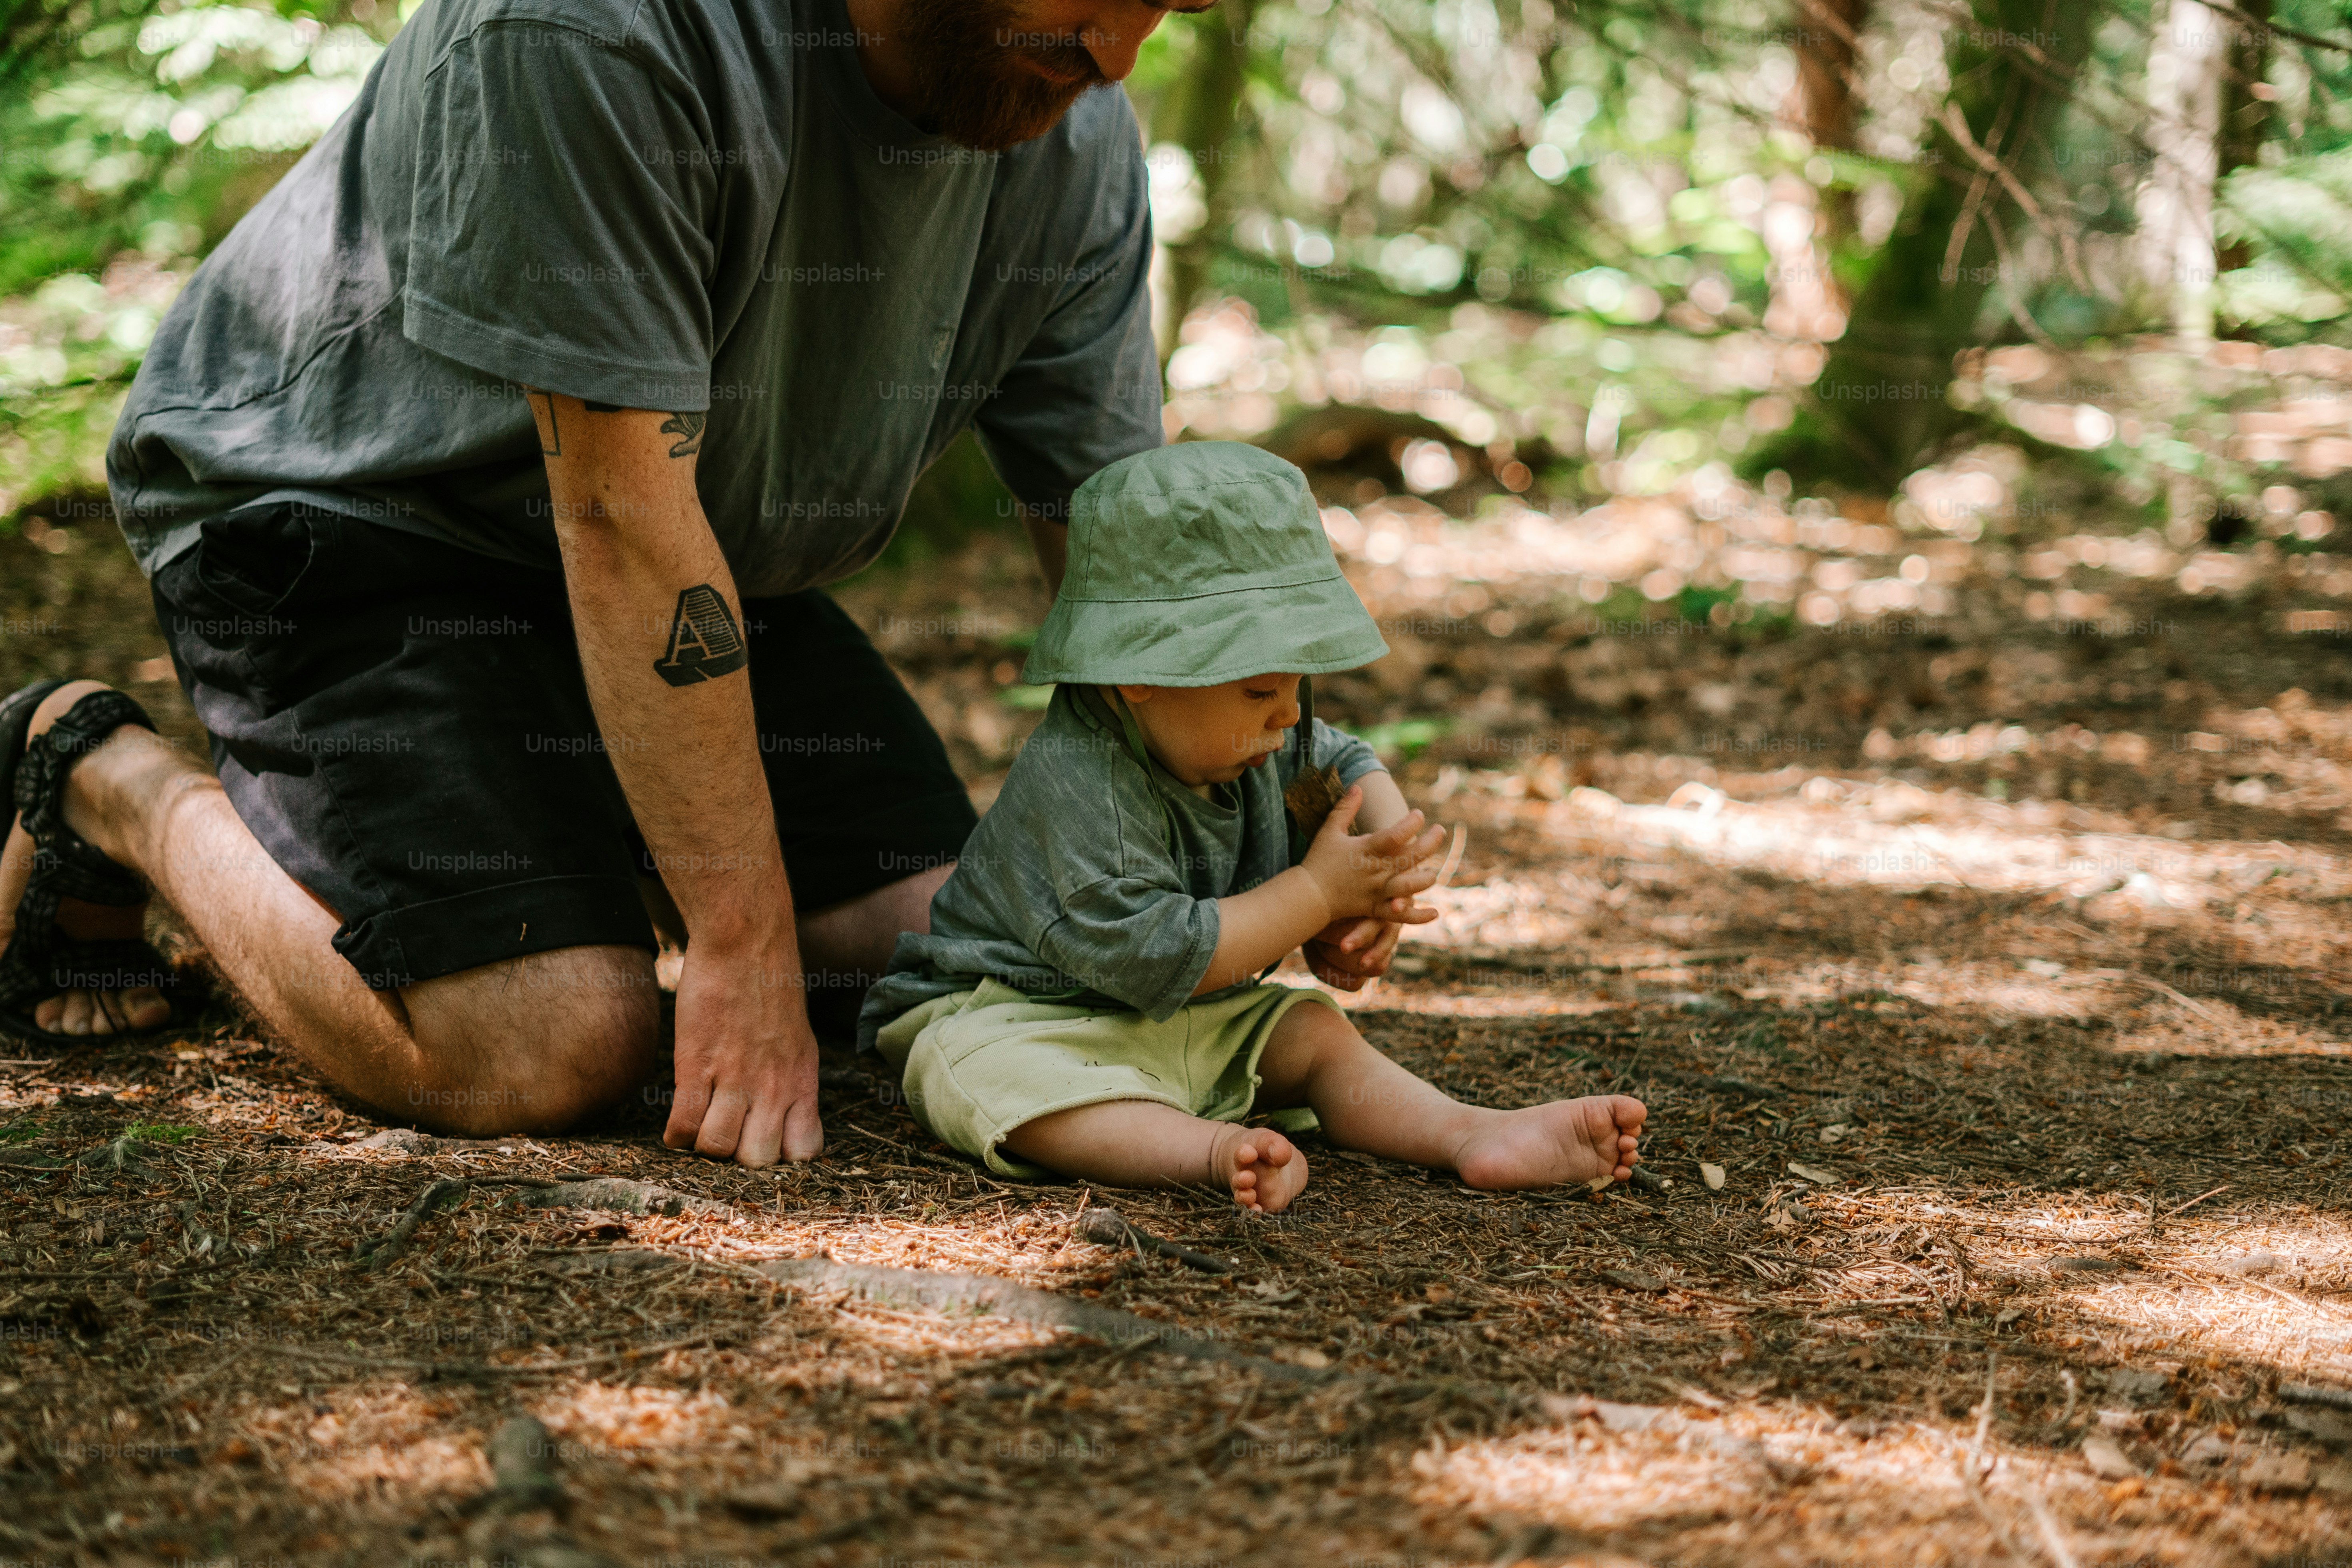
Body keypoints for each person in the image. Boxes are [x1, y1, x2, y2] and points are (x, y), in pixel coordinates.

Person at [0, 0, 1351, 1171]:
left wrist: (1288, 807)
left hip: (697, 555)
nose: (1120, 56)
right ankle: (104, 779)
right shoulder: (601, 31)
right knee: (545, 1042)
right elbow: (615, 510)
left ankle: (568, 843)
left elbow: (1124, 550)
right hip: (354, 516)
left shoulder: (1075, 132)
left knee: (963, 948)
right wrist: (738, 941)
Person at [856, 443, 1646, 1210]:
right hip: (1017, 1014)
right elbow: (1165, 954)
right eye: (1262, 689)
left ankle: (1469, 1133)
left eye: (1297, 683)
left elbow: (1341, 761)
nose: (1288, 714)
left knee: (1311, 1033)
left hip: (1179, 1018)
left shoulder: (1256, 734)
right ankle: (1205, 1153)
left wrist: (1380, 872)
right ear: (1138, 673)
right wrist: (1317, 896)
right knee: (997, 1079)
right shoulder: (1080, 787)